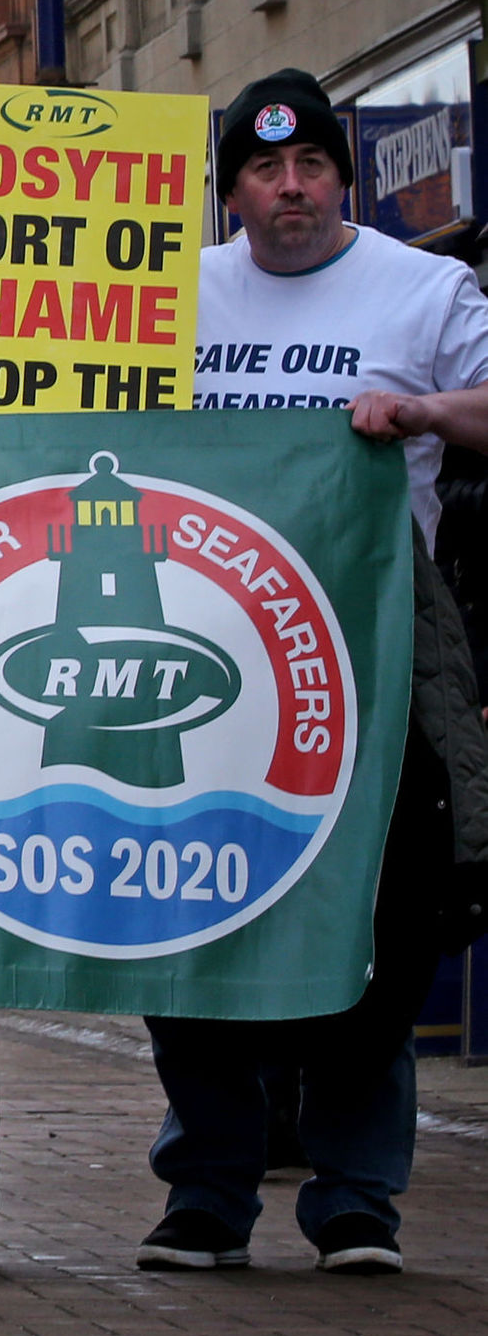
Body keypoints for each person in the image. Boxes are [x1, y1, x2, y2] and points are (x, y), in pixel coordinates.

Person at [140, 68, 488, 1275]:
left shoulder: (424, 288)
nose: (288, 190)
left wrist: (426, 412)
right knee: (186, 921)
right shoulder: (166, 297)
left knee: (370, 936)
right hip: (196, 675)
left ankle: (353, 1197)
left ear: (341, 173)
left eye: (310, 168)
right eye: (260, 170)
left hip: (367, 676)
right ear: (229, 188)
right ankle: (207, 1189)